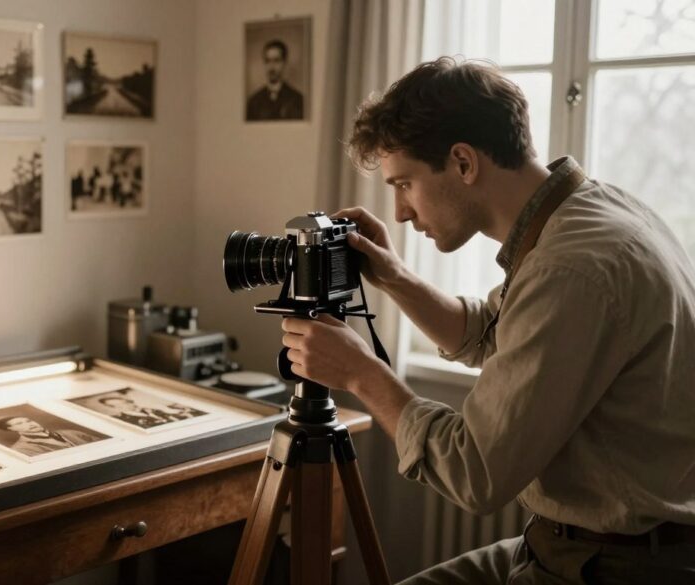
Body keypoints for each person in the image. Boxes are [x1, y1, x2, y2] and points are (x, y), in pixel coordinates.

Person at [281, 56, 695, 583]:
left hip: (614, 566)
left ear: (463, 162)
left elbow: (473, 472)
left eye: (404, 183)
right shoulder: (591, 213)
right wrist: (394, 276)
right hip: (569, 543)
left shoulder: (571, 268)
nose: (401, 212)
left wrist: (361, 373)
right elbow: (490, 333)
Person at [246, 39, 304, 121]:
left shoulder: (298, 100)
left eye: (276, 61)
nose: (271, 67)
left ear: (284, 63)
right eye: (267, 61)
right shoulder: (253, 102)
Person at [0, 415, 103, 457]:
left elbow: (104, 445)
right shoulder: (21, 450)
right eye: (19, 424)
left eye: (29, 420)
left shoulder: (70, 432)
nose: (29, 424)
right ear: (11, 429)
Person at [97, 394, 185, 429]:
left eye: (127, 402)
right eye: (121, 404)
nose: (129, 404)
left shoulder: (152, 409)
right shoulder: (120, 420)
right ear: (115, 407)